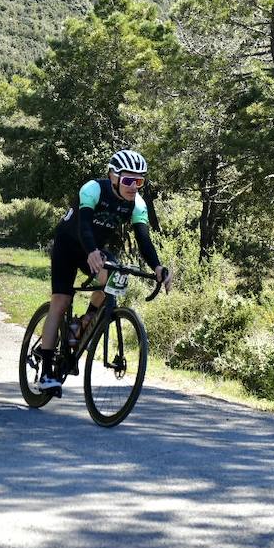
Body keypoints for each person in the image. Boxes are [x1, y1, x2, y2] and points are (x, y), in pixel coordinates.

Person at [35, 149, 171, 391]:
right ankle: (46, 371)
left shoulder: (137, 204)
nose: (134, 187)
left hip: (94, 250)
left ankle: (86, 320)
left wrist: (158, 266)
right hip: (69, 244)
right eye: (129, 180)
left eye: (139, 181)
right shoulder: (93, 189)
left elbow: (144, 240)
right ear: (113, 177)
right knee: (61, 302)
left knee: (114, 272)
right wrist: (91, 251)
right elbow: (84, 225)